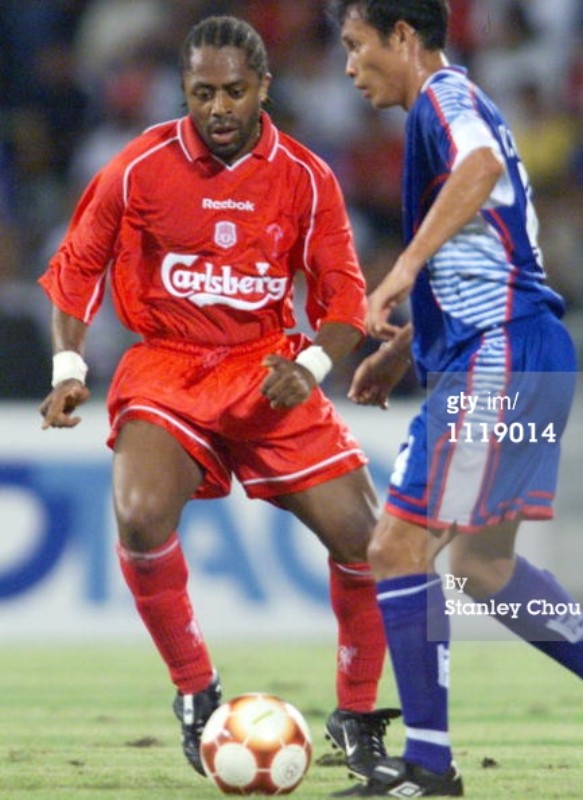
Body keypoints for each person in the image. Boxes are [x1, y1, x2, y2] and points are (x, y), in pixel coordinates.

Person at [329, 1, 583, 796]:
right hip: (522, 353)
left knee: (396, 548)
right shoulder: (449, 106)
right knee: (484, 567)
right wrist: (405, 346)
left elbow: (482, 168)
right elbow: (486, 247)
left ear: (403, 37)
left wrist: (401, 270)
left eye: (356, 46)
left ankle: (428, 766)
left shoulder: (445, 98)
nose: (349, 67)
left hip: (500, 356)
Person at [38, 13, 399, 781]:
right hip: (168, 367)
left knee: (365, 544)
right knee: (139, 515)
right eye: (203, 93)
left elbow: (343, 298)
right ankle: (196, 691)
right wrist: (69, 366)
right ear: (185, 89)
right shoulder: (139, 164)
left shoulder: (305, 176)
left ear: (263, 86)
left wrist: (313, 364)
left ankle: (357, 716)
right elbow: (78, 265)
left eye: (234, 91)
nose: (219, 108)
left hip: (267, 370)